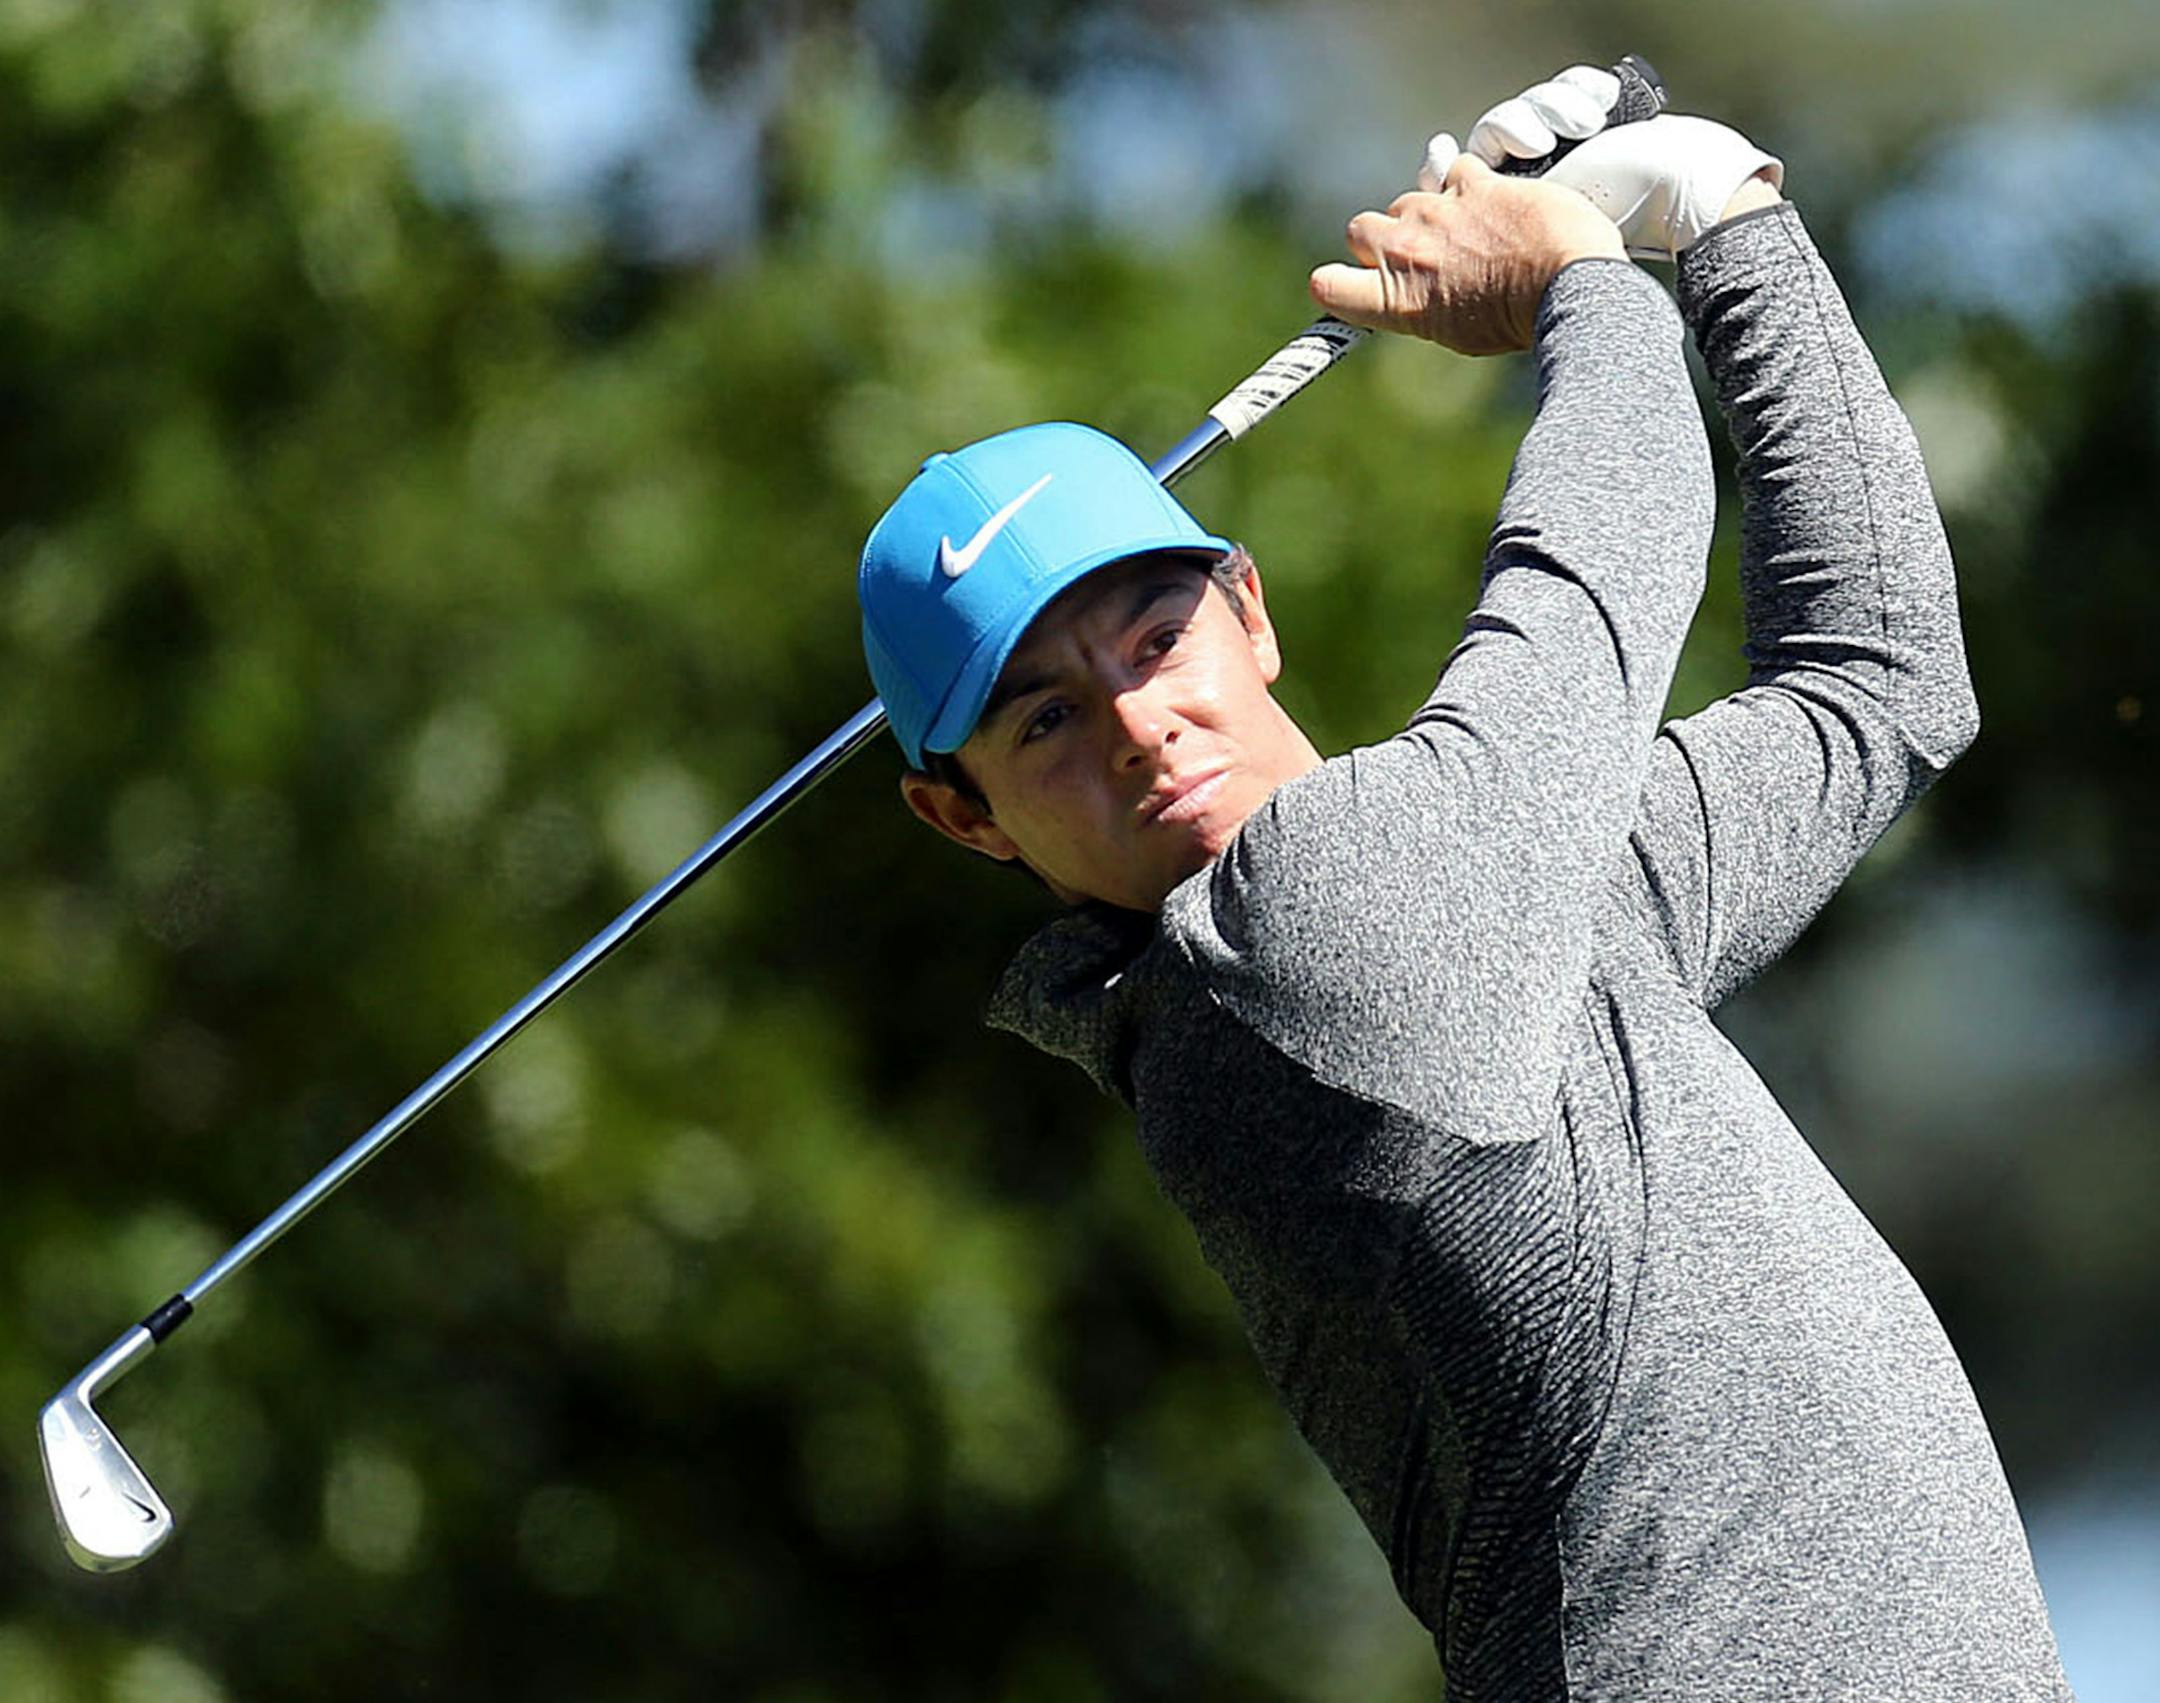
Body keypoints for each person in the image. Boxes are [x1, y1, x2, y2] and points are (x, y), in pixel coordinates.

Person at [856, 71, 2072, 1699]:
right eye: (1049, 719)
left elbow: (1882, 679)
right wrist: (1586, 281)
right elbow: (1606, 558)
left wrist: (1734, 231)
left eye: (1157, 640)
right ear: (965, 819)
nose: (1145, 726)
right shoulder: (1289, 950)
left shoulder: (1518, 913)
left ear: (1250, 615)